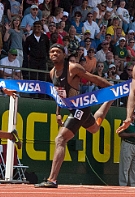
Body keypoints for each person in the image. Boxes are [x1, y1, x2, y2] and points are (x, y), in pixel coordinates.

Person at [35, 44, 114, 188]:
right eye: (52, 51)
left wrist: (112, 89)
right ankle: (109, 102)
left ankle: (52, 179)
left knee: (60, 139)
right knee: (94, 128)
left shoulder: (73, 68)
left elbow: (93, 78)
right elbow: (59, 93)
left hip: (80, 108)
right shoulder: (52, 72)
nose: (54, 54)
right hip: (72, 109)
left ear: (64, 54)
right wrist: (58, 112)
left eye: (58, 52)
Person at [118, 106, 135, 187]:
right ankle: (123, 185)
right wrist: (132, 134)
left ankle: (133, 185)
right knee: (124, 167)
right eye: (133, 113)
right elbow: (120, 133)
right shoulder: (125, 123)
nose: (134, 115)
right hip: (128, 144)